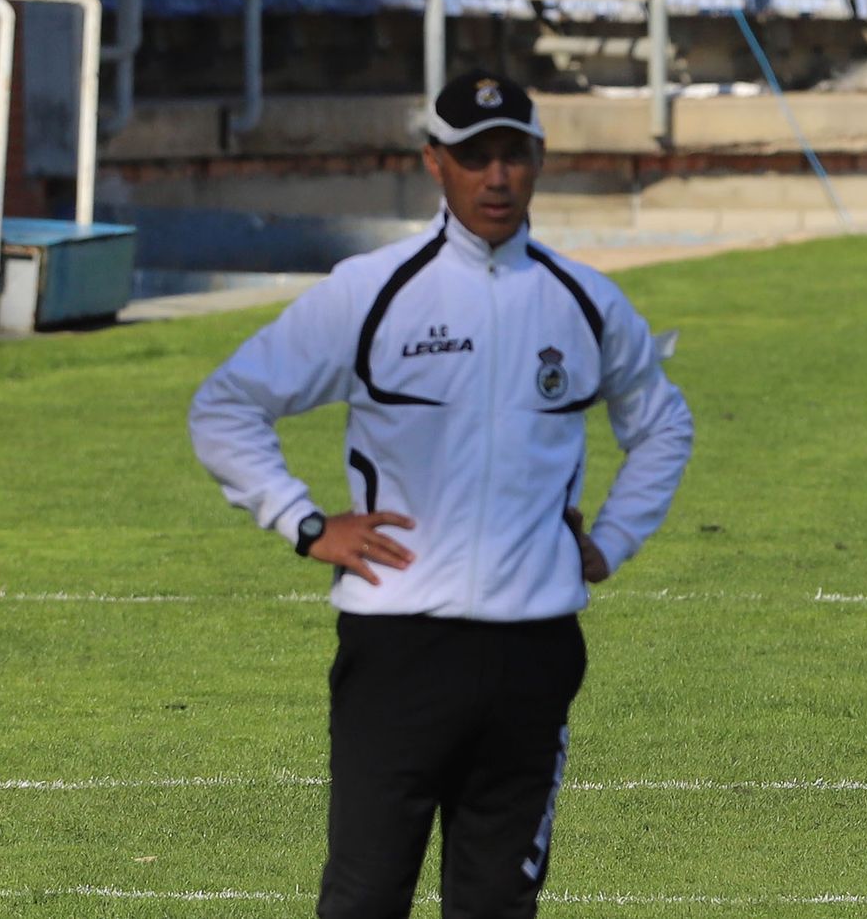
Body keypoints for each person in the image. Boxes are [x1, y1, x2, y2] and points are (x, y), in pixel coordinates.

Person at [188, 70, 694, 916]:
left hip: (535, 651)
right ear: (435, 162)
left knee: (499, 904)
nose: (496, 178)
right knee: (362, 898)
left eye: (513, 156)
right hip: (397, 649)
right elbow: (227, 405)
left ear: (539, 162)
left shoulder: (585, 301)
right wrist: (306, 523)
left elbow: (663, 425)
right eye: (474, 157)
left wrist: (614, 538)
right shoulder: (372, 289)